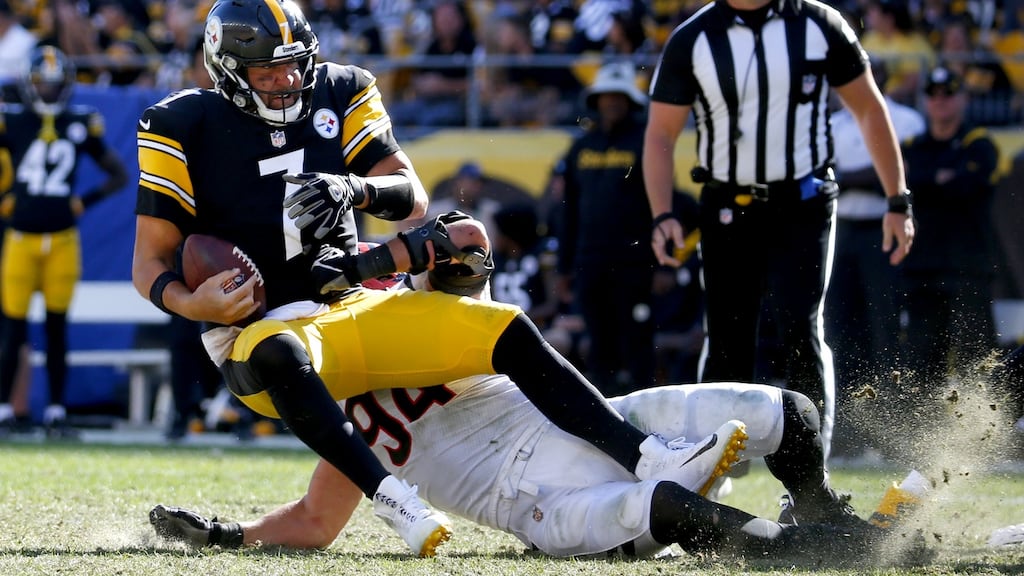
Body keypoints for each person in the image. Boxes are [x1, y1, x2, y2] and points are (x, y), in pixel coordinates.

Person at [132, 0, 754, 558]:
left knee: (505, 325)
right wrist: (194, 301)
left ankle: (647, 455)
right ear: (227, 70)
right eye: (268, 71)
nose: (288, 81)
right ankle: (396, 502)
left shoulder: (341, 89)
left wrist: (355, 187)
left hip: (352, 311)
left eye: (294, 65)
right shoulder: (182, 123)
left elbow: (411, 201)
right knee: (281, 351)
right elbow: (149, 263)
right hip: (258, 330)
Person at [149, 220, 883, 563]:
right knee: (668, 509)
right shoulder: (331, 400)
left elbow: (467, 246)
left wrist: (389, 253)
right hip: (540, 502)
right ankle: (802, 550)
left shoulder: (395, 310)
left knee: (788, 410)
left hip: (590, 426)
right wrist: (226, 536)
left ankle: (823, 510)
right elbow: (316, 519)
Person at [642, 0, 916, 460]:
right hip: (728, 202)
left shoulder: (819, 23)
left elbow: (869, 109)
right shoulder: (693, 37)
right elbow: (660, 134)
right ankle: (714, 466)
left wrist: (897, 199)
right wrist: (662, 213)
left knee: (800, 325)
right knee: (728, 334)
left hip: (802, 201)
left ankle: (810, 474)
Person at [0, 45, 128, 437]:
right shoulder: (13, 122)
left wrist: (82, 201)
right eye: (44, 84)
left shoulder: (79, 122)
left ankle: (56, 410)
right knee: (13, 329)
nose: (51, 92)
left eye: (56, 85)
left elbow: (118, 174)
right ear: (30, 84)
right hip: (21, 239)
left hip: (62, 240)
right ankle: (6, 410)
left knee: (57, 329)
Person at [825, 58, 925, 458]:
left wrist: (852, 179)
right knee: (840, 330)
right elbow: (825, 172)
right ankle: (848, 432)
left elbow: (905, 171)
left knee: (886, 328)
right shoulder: (832, 123)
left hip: (882, 230)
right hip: (843, 229)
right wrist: (869, 176)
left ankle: (890, 432)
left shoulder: (906, 119)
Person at [898, 66, 999, 404]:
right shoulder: (912, 144)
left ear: (963, 98)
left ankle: (983, 430)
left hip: (968, 267)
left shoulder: (980, 141)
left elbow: (967, 184)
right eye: (933, 94)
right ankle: (922, 437)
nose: (940, 101)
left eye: (948, 93)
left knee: (977, 356)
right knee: (923, 359)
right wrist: (940, 178)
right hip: (922, 268)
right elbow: (906, 182)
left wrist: (928, 181)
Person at [559, 60, 657, 396]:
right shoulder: (580, 147)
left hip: (635, 261)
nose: (612, 103)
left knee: (637, 340)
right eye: (606, 96)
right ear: (596, 101)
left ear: (630, 101)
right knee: (599, 343)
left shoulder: (647, 142)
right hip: (591, 262)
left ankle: (651, 416)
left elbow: (667, 203)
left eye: (619, 96)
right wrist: (564, 267)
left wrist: (665, 259)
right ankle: (608, 416)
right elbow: (568, 210)